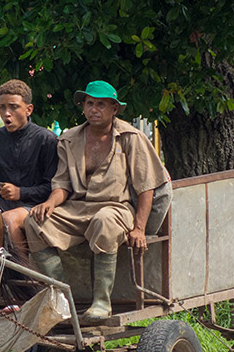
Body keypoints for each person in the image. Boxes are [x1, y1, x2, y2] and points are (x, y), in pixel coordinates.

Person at [25, 80, 170, 319]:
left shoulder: (131, 138)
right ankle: (64, 298)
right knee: (34, 223)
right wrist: (50, 203)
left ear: (114, 108)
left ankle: (102, 303)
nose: (94, 109)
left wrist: (140, 229)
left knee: (104, 220)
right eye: (89, 103)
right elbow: (62, 184)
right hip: (77, 208)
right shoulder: (70, 139)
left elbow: (146, 188)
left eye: (101, 104)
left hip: (116, 208)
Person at [0, 79, 59, 256]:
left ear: (29, 109)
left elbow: (54, 187)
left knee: (8, 220)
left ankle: (21, 278)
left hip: (38, 206)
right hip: (1, 205)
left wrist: (20, 192)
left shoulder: (47, 140)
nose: (7, 114)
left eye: (13, 107)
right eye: (2, 107)